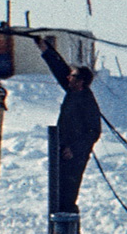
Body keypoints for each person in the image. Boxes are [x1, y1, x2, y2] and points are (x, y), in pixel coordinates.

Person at [36, 36, 101, 214]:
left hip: (74, 156)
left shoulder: (87, 101)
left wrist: (74, 148)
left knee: (67, 195)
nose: (67, 77)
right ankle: (63, 233)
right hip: (64, 150)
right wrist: (45, 49)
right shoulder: (73, 91)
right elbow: (60, 69)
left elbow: (94, 132)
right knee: (59, 193)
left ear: (80, 82)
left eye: (71, 76)